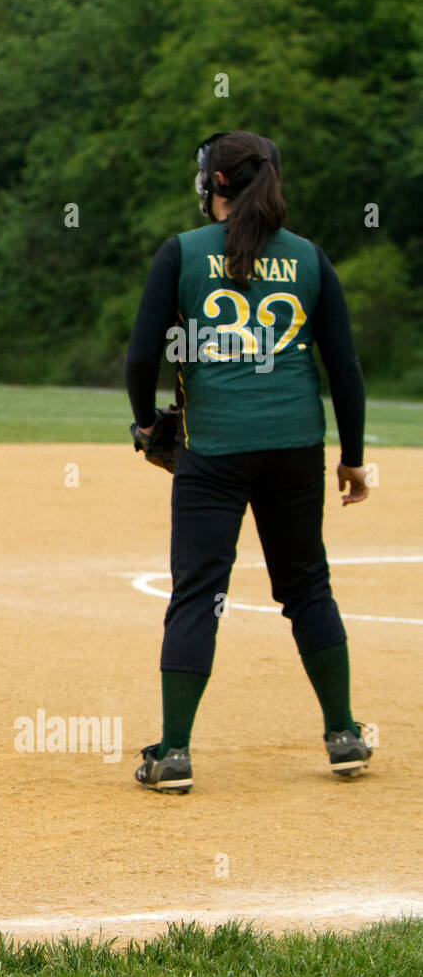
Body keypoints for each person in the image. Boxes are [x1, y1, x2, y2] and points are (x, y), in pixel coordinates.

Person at [124, 130, 373, 793]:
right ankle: (344, 733)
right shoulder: (311, 258)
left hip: (214, 447)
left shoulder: (182, 253)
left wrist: (149, 424)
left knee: (198, 593)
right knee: (307, 585)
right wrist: (351, 458)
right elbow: (344, 369)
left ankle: (173, 751)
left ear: (216, 186)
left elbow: (140, 357)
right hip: (296, 445)